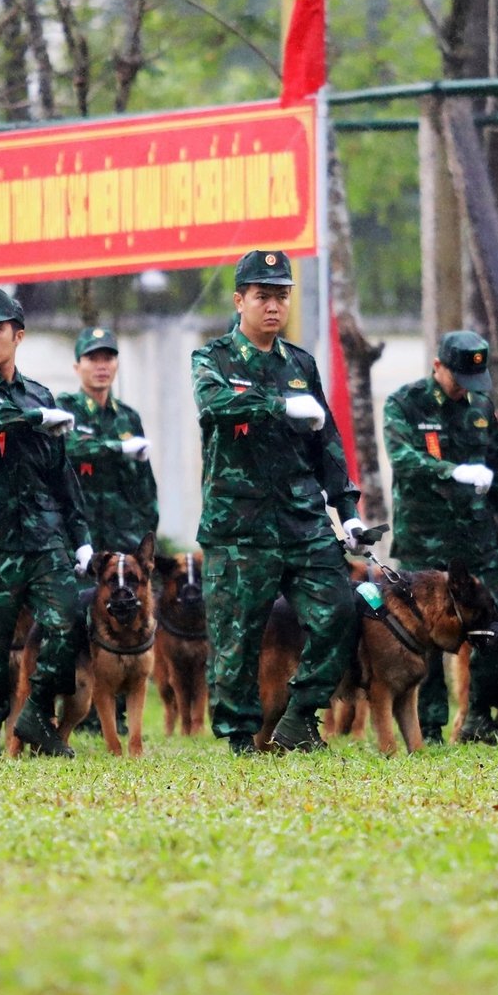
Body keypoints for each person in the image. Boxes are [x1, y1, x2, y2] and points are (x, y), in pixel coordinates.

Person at [192, 249, 372, 753]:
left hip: (302, 521)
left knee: (339, 610)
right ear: (239, 300)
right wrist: (276, 405)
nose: (273, 306)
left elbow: (327, 447)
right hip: (239, 525)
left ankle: (299, 715)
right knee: (237, 639)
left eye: (281, 295)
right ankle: (240, 740)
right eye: (262, 295)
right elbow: (214, 406)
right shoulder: (213, 359)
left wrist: (350, 514)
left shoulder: (301, 364)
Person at [0, 288, 93, 758]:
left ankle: (34, 715)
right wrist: (34, 418)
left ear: (18, 335)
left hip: (41, 537)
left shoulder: (39, 393)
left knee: (67, 620)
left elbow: (61, 473)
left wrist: (82, 537)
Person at [383, 330, 498, 744]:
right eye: (458, 377)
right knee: (419, 636)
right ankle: (426, 726)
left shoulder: (482, 407)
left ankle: (478, 718)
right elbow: (403, 459)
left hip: (478, 542)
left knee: (496, 631)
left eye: (473, 380)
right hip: (423, 542)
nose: (466, 387)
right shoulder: (405, 403)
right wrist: (451, 471)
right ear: (438, 366)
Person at [59, 326, 158, 553]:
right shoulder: (65, 410)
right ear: (77, 366)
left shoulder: (128, 417)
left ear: (117, 365)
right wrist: (119, 448)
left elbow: (146, 485)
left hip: (125, 539)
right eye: (92, 359)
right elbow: (71, 448)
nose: (101, 366)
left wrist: (146, 533)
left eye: (108, 358)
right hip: (80, 539)